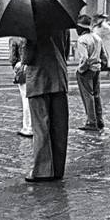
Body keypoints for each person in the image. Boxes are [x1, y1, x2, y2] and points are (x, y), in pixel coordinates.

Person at [24, 29, 70, 182]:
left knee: (41, 126)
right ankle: (57, 169)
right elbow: (66, 51)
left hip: (39, 79)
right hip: (59, 77)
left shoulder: (31, 24)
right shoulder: (63, 25)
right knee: (59, 127)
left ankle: (42, 171)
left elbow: (28, 56)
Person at [75, 14, 105, 131]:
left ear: (82, 28)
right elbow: (104, 55)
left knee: (87, 96)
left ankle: (91, 122)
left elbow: (84, 58)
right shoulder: (97, 38)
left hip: (87, 70)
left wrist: (80, 70)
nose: (76, 30)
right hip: (96, 69)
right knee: (96, 95)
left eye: (77, 27)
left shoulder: (82, 40)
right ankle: (99, 120)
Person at [92, 13, 110, 91]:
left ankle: (95, 84)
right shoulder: (97, 26)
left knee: (100, 65)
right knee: (105, 66)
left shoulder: (105, 26)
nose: (95, 20)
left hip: (105, 48)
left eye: (97, 18)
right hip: (100, 48)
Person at [10, 36, 32, 138]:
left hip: (22, 70)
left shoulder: (14, 39)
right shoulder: (30, 36)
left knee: (25, 100)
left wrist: (16, 66)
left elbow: (12, 58)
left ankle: (27, 127)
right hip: (33, 70)